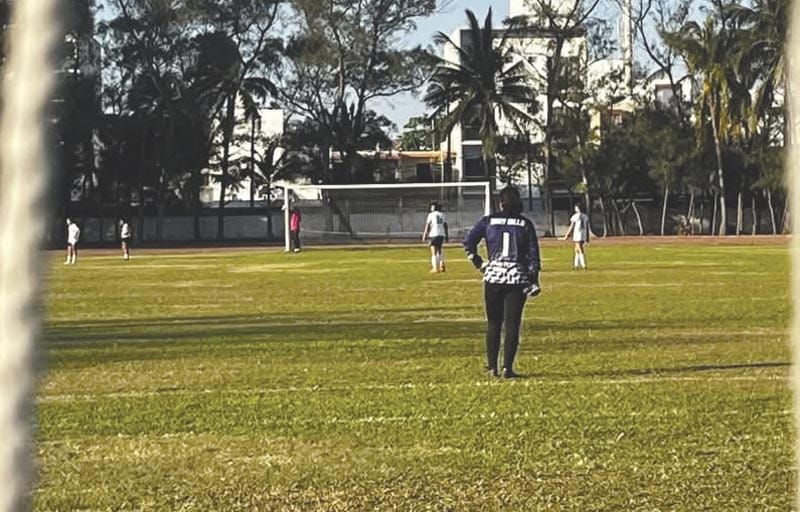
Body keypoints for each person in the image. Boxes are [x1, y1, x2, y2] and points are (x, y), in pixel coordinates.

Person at [463, 187, 541, 379]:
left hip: (494, 278)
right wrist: (533, 279)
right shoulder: (525, 224)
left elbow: (468, 242)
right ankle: (507, 367)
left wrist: (479, 262)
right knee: (513, 324)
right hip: (516, 277)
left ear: (500, 202)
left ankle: (491, 367)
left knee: (494, 323)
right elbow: (533, 255)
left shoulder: (489, 221)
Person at [421, 201, 449, 273]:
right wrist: (447, 236)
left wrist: (424, 234)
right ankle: (441, 265)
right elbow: (445, 226)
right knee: (439, 250)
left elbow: (427, 225)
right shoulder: (442, 214)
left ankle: (435, 268)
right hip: (441, 234)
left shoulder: (431, 215)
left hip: (433, 234)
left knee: (433, 252)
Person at [563, 203, 590, 270]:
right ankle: (575, 265)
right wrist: (587, 236)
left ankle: (584, 265)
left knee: (579, 248)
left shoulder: (575, 216)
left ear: (578, 208)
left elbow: (571, 226)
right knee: (576, 249)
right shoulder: (585, 216)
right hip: (583, 234)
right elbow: (587, 227)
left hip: (578, 234)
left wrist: (567, 235)